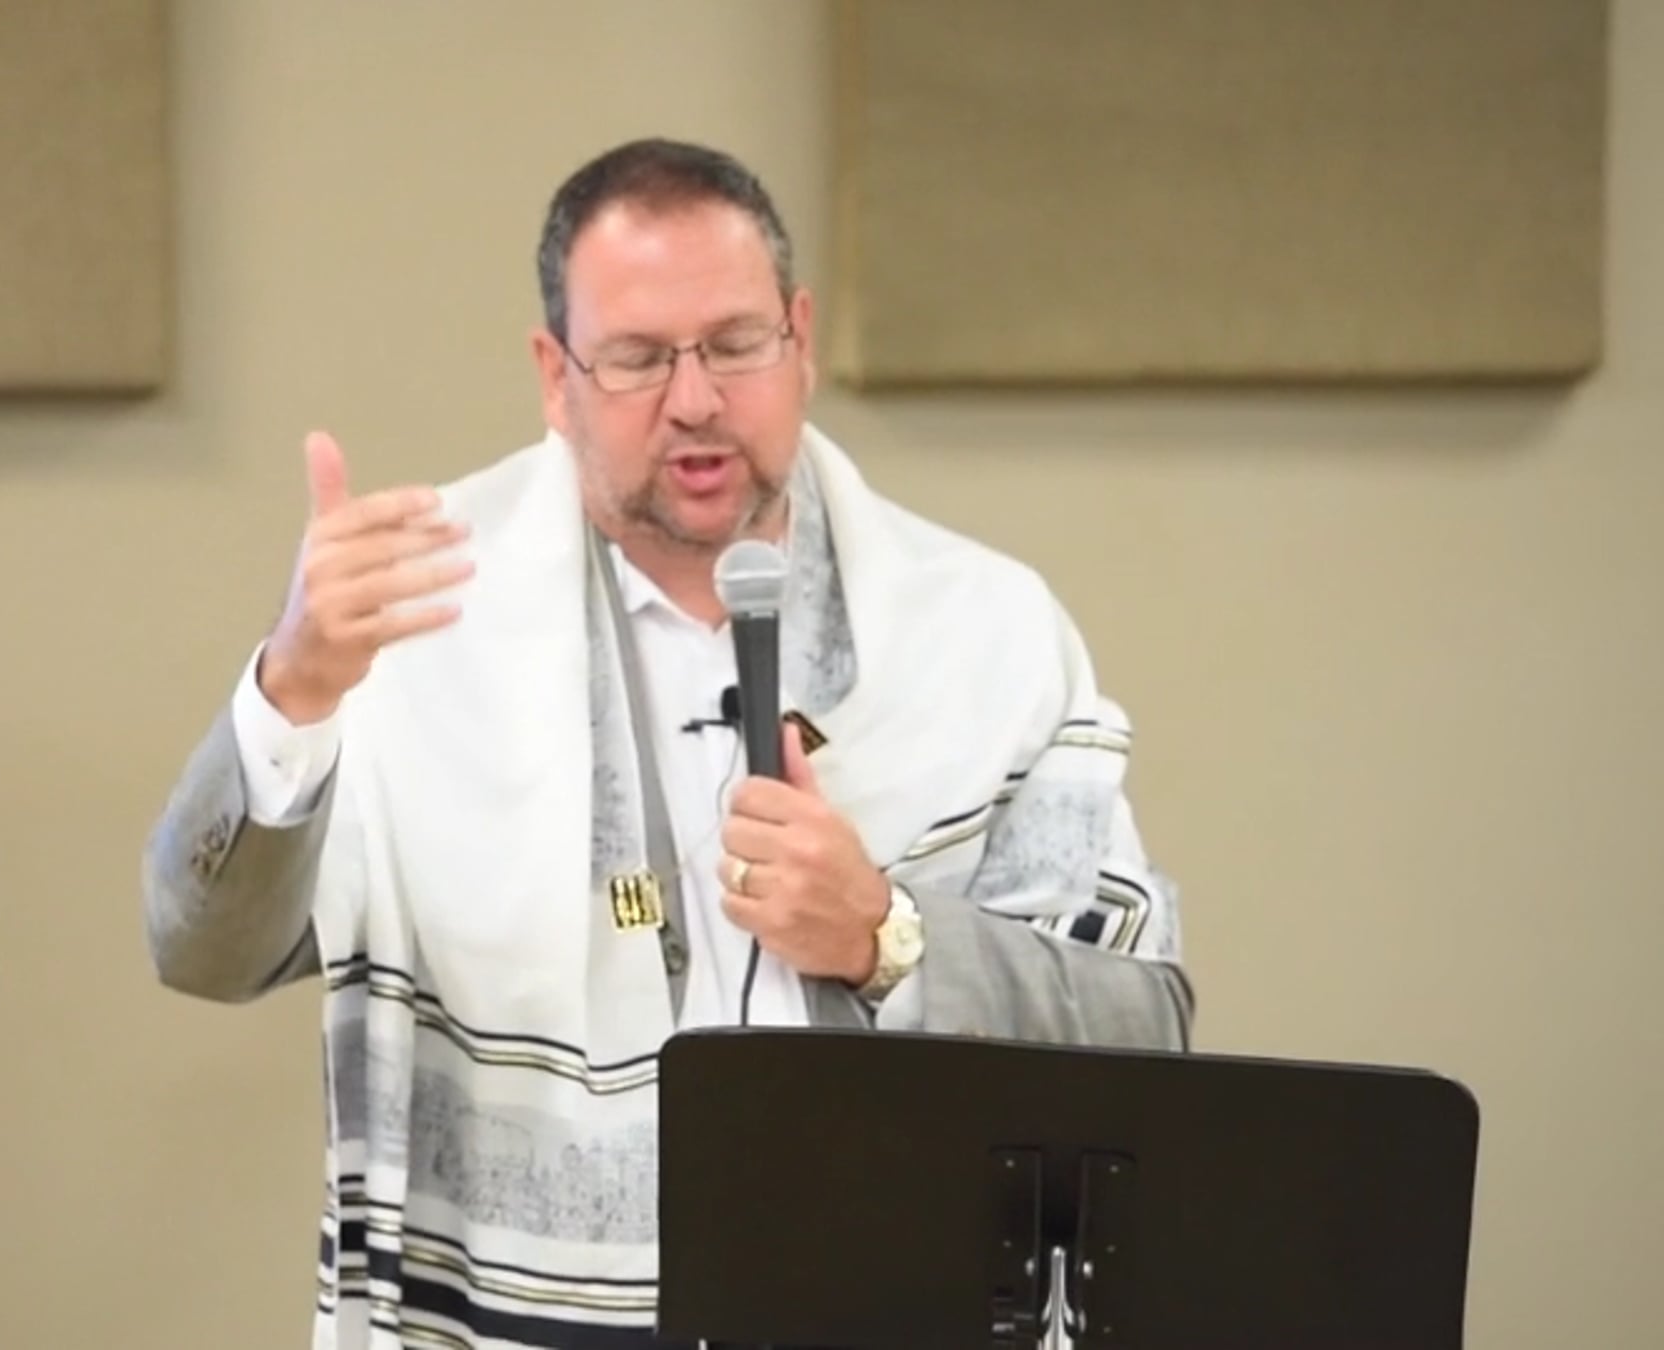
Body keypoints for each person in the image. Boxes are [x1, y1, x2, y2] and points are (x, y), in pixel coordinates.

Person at [142, 137, 1193, 1349]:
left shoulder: (987, 631)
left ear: (800, 340)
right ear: (556, 377)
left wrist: (885, 937)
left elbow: (1143, 1030)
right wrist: (293, 690)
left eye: (735, 345)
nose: (694, 400)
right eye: (639, 357)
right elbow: (204, 950)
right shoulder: (418, 624)